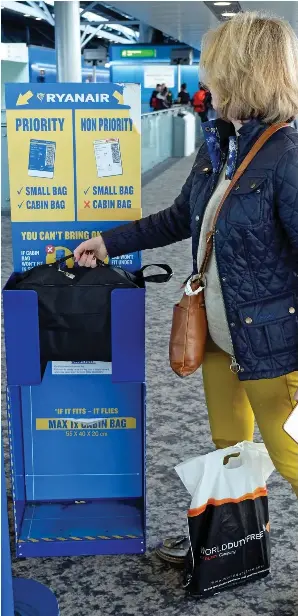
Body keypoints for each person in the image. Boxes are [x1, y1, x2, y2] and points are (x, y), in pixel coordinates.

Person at [74, 12, 298, 567]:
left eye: (214, 73)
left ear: (243, 74)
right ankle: (235, 547)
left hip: (274, 346)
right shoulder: (222, 143)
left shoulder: (288, 157)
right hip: (221, 335)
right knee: (231, 445)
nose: (206, 84)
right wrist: (109, 240)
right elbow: (182, 216)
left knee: (290, 457)